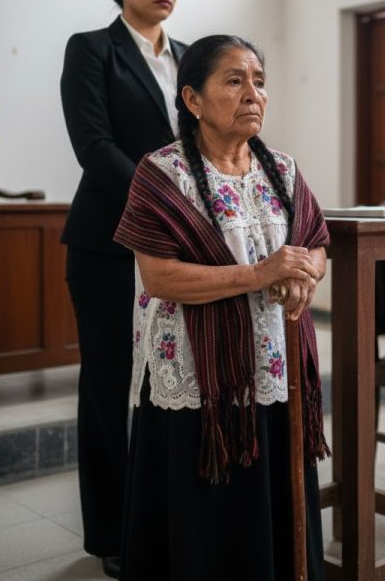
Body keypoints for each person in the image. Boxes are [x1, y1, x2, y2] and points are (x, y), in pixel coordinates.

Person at [113, 34, 330, 580]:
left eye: (259, 81)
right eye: (234, 81)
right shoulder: (162, 173)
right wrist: (264, 273)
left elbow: (314, 242)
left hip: (272, 365)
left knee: (273, 505)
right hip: (197, 377)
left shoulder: (282, 169)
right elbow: (159, 276)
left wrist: (305, 275)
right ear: (192, 100)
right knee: (206, 521)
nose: (253, 93)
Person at [60, 0, 185, 578]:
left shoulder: (192, 58)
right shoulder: (92, 50)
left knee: (173, 385)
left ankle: (167, 515)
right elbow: (94, 145)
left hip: (182, 251)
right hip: (108, 244)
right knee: (110, 388)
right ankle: (112, 533)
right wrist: (163, 204)